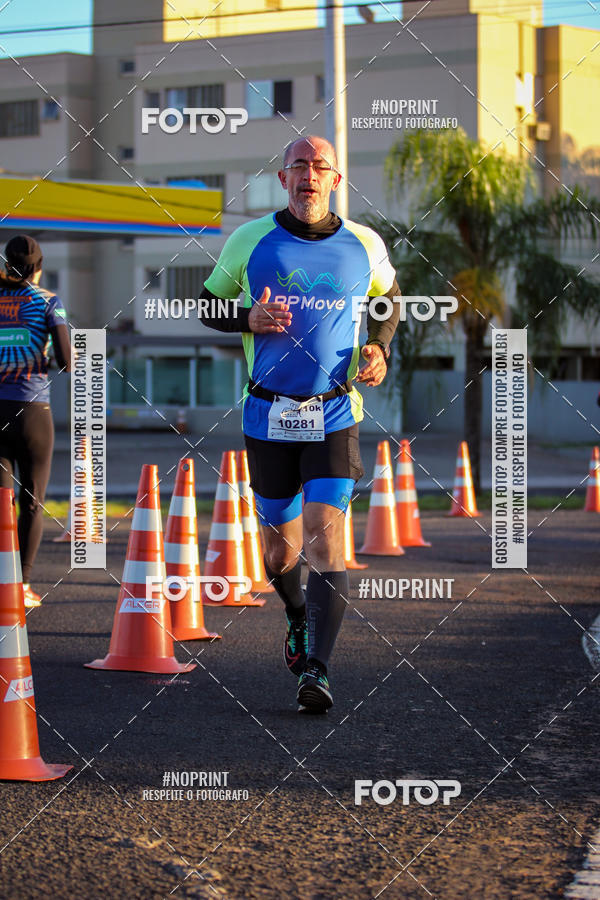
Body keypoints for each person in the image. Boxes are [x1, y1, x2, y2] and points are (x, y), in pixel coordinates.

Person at [200, 136, 401, 712]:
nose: (309, 176)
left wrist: (380, 348)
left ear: (336, 179)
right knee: (277, 554)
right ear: (283, 178)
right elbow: (207, 306)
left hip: (336, 410)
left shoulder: (364, 243)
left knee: (326, 532)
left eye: (320, 167)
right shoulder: (249, 239)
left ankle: (317, 667)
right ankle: (294, 615)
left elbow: (389, 298)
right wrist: (249, 317)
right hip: (267, 411)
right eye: (299, 167)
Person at [0, 235, 71, 608]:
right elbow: (65, 359)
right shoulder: (48, 302)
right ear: (38, 267)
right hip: (31, 411)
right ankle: (22, 585)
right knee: (31, 501)